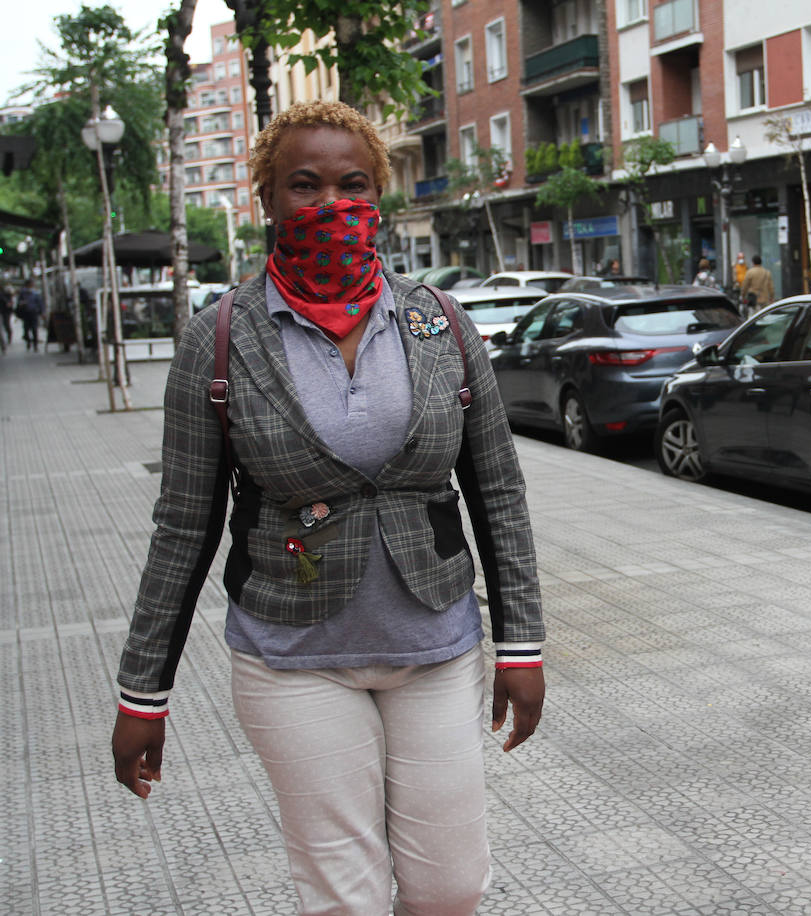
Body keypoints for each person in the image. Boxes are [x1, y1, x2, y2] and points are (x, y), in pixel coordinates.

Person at [110, 100, 546, 916]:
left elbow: (498, 489)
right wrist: (144, 694)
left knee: (451, 887)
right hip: (291, 657)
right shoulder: (220, 337)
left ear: (376, 198)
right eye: (303, 185)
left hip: (435, 646)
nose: (328, 204)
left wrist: (522, 642)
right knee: (343, 898)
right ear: (266, 199)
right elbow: (183, 527)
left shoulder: (439, 323)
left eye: (352, 185)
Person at [17, 279, 44, 352]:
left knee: (34, 329)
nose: (31, 286)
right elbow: (18, 303)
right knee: (26, 329)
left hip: (34, 313)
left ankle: (35, 345)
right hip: (26, 313)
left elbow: (40, 303)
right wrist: (22, 304)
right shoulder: (22, 293)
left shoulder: (35, 293)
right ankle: (28, 341)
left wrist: (42, 312)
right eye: (30, 285)